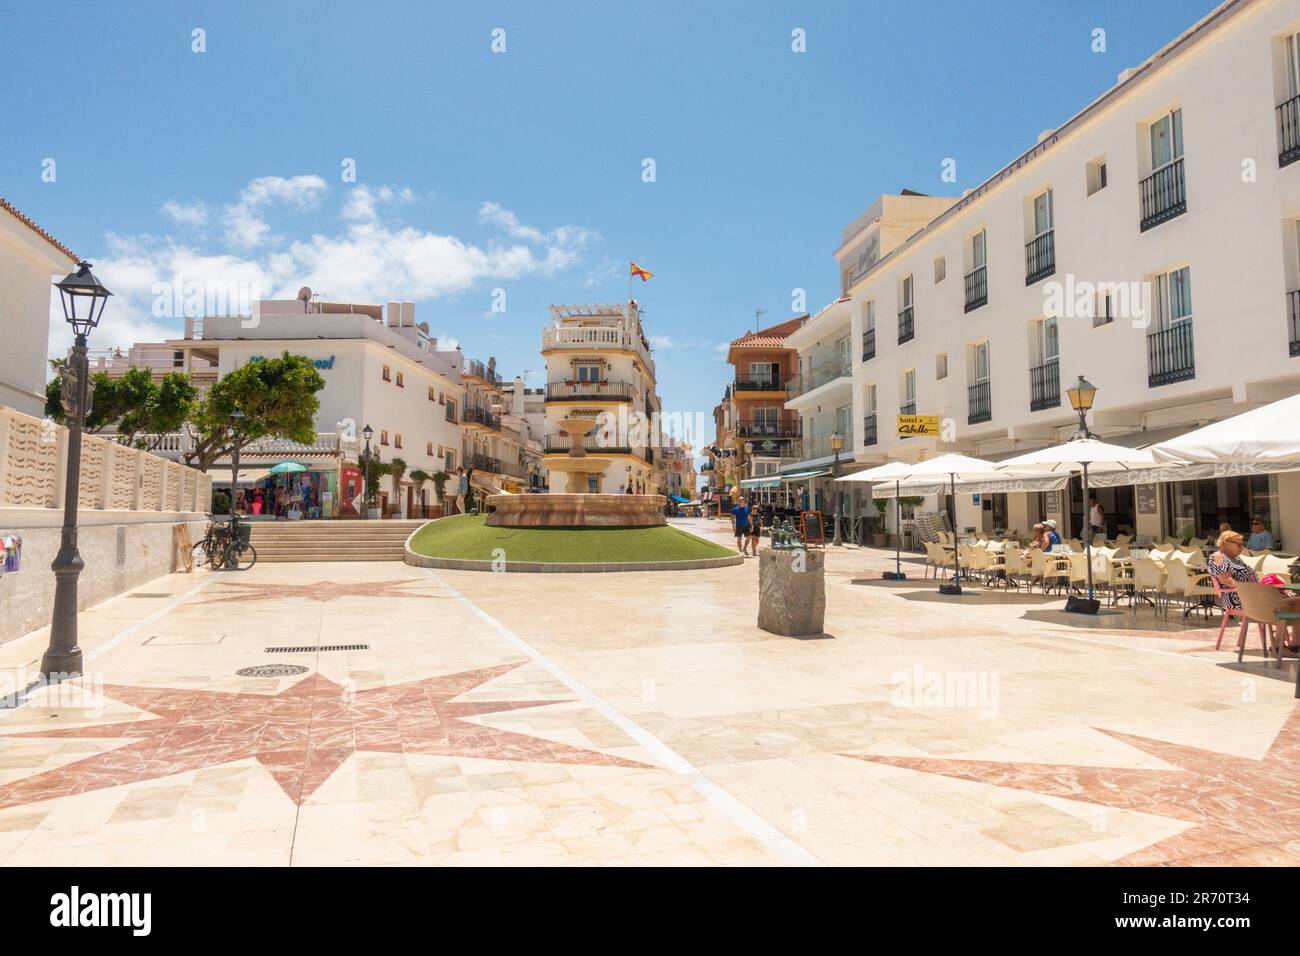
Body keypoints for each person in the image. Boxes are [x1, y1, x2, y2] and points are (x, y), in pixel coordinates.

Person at [1209, 530, 1298, 652]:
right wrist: (1257, 589)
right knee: (1284, 603)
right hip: (1240, 597)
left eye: (1242, 544)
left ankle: (1295, 643)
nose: (1242, 547)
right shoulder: (1219, 557)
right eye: (1239, 545)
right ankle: (1278, 645)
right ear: (1226, 543)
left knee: (1296, 601)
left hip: (1253, 594)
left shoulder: (1236, 559)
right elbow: (1227, 580)